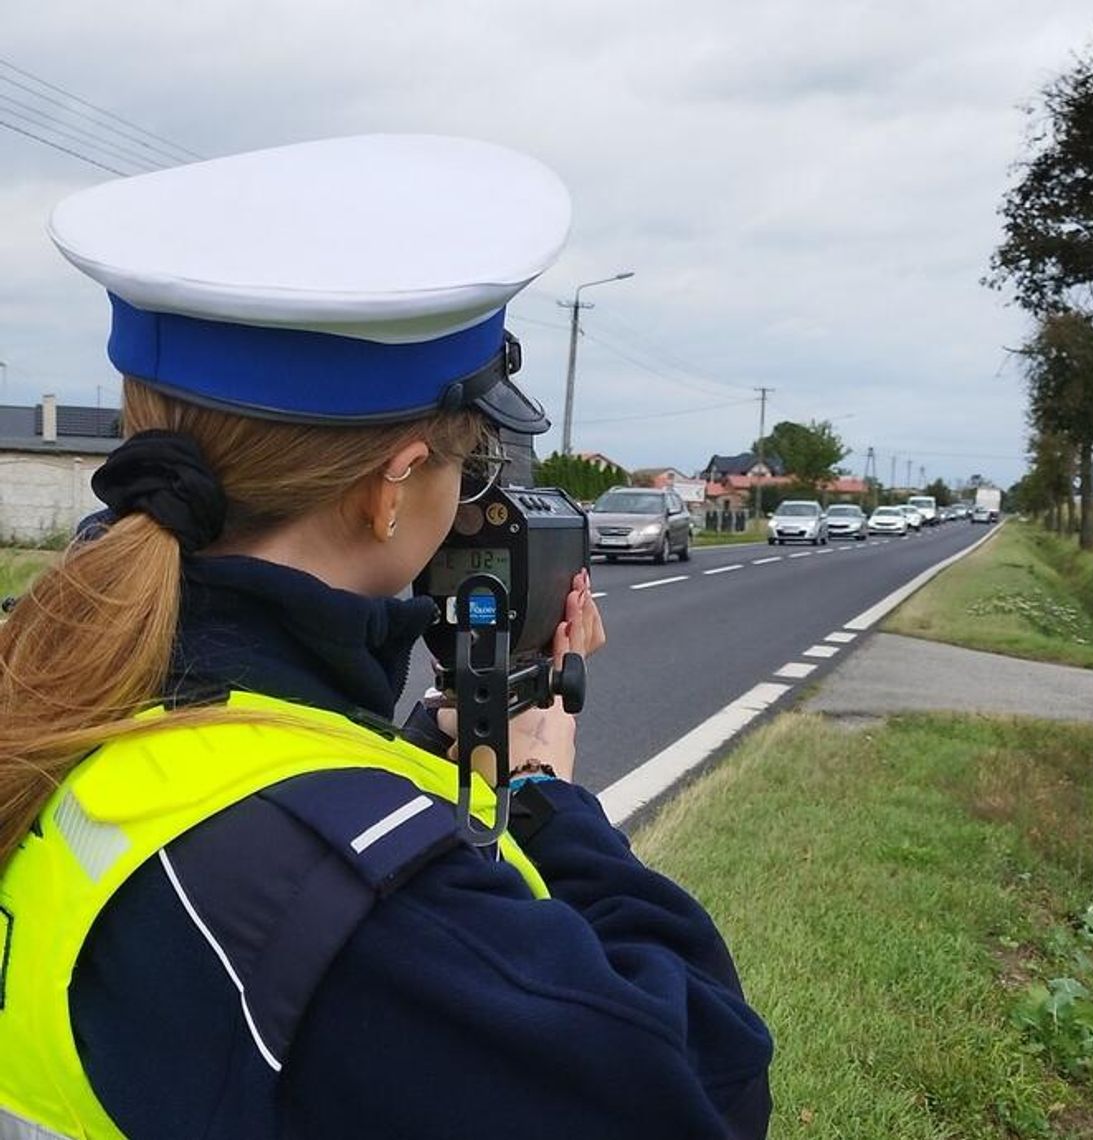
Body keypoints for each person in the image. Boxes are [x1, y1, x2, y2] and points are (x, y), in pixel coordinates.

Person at [0, 135, 773, 1139]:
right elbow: (704, 1084)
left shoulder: (53, 678)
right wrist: (540, 794)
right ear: (394, 483)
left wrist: (397, 765)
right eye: (474, 459)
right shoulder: (372, 913)